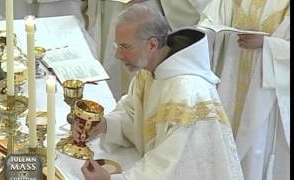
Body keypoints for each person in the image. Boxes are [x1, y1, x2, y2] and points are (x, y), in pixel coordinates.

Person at [74, 3, 244, 180]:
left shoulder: (188, 95)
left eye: (125, 47)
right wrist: (105, 125)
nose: (118, 55)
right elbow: (135, 116)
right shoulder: (151, 69)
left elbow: (173, 168)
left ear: (152, 44)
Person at [198, 0, 290, 180]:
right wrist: (205, 31)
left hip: (266, 89)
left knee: (255, 148)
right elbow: (210, 20)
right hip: (229, 81)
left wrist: (267, 43)